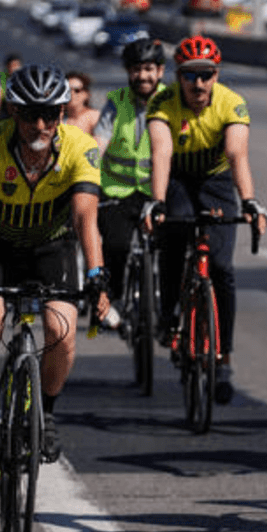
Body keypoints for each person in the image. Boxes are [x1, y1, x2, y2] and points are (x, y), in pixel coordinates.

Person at [0, 65, 110, 481]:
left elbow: (86, 218)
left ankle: (48, 414)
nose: (40, 125)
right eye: (30, 114)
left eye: (50, 115)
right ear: (14, 112)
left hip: (50, 247)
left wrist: (96, 273)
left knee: (62, 328)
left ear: (61, 113)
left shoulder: (80, 147)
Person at [141, 35, 267, 405]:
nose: (198, 84)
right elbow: (162, 153)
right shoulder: (163, 103)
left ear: (217, 75)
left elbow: (236, 153)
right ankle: (168, 316)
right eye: (190, 76)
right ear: (178, 77)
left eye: (206, 75)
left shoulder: (231, 103)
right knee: (173, 237)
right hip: (179, 177)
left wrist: (249, 201)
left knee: (221, 268)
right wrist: (157, 203)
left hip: (216, 181)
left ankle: (223, 357)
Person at [94, 38, 167, 329]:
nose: (143, 76)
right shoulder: (116, 102)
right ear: (128, 72)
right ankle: (115, 300)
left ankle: (171, 304)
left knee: (173, 245)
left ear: (160, 71)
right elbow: (98, 144)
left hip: (157, 191)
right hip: (118, 191)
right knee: (116, 245)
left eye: (149, 69)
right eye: (136, 69)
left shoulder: (171, 101)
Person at [0, 53, 22, 121]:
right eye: (13, 65)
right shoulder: (2, 78)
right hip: (5, 110)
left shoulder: (24, 77)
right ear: (7, 67)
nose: (15, 68)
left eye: (17, 65)